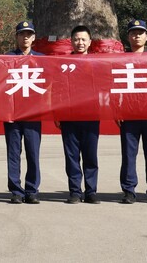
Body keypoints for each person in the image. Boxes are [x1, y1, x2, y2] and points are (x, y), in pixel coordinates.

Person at [118, 19, 147, 205]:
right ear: (128, 36)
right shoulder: (120, 60)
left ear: (146, 36)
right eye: (133, 32)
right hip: (129, 114)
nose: (137, 35)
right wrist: (116, 110)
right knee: (129, 154)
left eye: (140, 32)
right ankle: (129, 190)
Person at [59, 24, 100, 204]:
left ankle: (91, 191)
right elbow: (58, 91)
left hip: (91, 115)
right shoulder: (63, 64)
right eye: (76, 39)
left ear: (90, 42)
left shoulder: (98, 64)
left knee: (90, 155)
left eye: (83, 39)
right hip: (69, 117)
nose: (80, 43)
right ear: (71, 42)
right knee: (72, 156)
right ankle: (75, 191)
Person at [5, 19, 42, 204]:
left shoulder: (42, 59)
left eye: (28, 34)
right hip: (12, 114)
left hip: (33, 114)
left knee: (33, 153)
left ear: (33, 37)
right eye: (22, 34)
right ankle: (16, 191)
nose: (25, 37)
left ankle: (32, 189)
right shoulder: (7, 58)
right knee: (13, 153)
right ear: (17, 37)